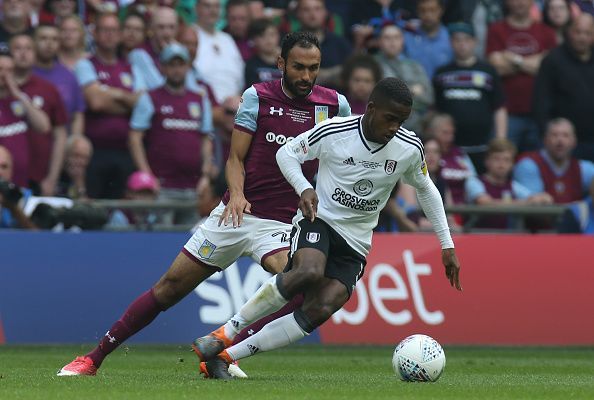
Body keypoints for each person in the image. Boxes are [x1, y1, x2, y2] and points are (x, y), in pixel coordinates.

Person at [57, 31, 350, 377]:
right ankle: (93, 358)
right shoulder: (258, 97)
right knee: (168, 290)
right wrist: (237, 194)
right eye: (298, 67)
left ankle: (223, 351)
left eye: (313, 68)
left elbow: (339, 162)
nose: (305, 76)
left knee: (303, 285)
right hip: (236, 214)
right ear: (281, 63)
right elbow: (235, 158)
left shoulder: (334, 106)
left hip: (282, 225)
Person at [192, 77, 461, 379]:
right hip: (320, 220)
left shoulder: (409, 147)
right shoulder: (336, 130)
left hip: (357, 242)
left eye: (400, 121)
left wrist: (446, 244)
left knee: (324, 306)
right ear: (371, 108)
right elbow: (287, 153)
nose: (393, 128)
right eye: (389, 118)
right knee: (308, 271)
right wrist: (304, 187)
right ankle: (225, 333)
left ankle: (226, 356)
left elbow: (426, 189)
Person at [128, 43, 215, 224]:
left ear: (188, 67)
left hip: (193, 187)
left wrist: (205, 176)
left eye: (180, 64)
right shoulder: (151, 97)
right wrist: (147, 175)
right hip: (162, 187)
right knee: (160, 239)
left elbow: (206, 138)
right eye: (171, 65)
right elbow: (135, 137)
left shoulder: (199, 98)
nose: (176, 70)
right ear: (163, 67)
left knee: (189, 245)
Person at [74, 13, 141, 199]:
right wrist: (123, 96)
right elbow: (95, 102)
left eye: (113, 30)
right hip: (95, 152)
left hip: (125, 151)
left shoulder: (130, 67)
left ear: (120, 35)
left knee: (123, 211)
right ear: (94, 34)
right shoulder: (85, 65)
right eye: (104, 30)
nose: (109, 35)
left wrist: (107, 94)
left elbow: (140, 104)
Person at [433, 22, 507, 173]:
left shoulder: (487, 71)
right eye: (457, 40)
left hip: (483, 146)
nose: (462, 45)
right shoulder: (441, 73)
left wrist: (500, 139)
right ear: (451, 43)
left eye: (466, 40)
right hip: (450, 148)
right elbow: (435, 110)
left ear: (474, 42)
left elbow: (499, 107)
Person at [486, 0, 557, 153]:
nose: (519, 3)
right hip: (506, 114)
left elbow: (549, 68)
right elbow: (496, 68)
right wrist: (535, 61)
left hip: (540, 115)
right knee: (502, 164)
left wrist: (514, 59)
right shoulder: (496, 30)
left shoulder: (546, 32)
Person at [10, 33, 69, 197]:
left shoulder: (48, 89)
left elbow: (60, 135)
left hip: (37, 176)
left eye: (28, 48)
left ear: (35, 54)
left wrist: (52, 178)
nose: (23, 53)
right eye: (18, 48)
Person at [532, 13, 594, 162]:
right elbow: (541, 102)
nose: (582, 37)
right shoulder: (553, 60)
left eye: (587, 33)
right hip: (564, 145)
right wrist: (548, 137)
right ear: (569, 32)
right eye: (578, 32)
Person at [465, 138, 552, 229]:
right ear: (487, 161)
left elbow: (533, 198)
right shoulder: (474, 182)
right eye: (497, 159)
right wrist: (526, 203)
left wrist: (543, 198)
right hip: (476, 237)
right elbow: (485, 203)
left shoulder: (513, 186)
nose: (501, 164)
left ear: (512, 164)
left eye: (506, 160)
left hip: (504, 238)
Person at [513, 118, 594, 203]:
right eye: (554, 135)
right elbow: (534, 208)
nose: (560, 140)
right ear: (545, 140)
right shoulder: (528, 164)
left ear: (574, 141)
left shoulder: (583, 168)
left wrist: (584, 205)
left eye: (565, 135)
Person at [0, 52, 50, 188]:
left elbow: (44, 127)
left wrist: (17, 93)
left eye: (9, 70)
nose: (4, 75)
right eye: (0, 69)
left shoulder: (20, 101)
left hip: (21, 182)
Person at [374, 23, 433, 133]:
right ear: (379, 41)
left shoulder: (415, 66)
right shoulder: (372, 65)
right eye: (387, 38)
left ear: (402, 40)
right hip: (383, 124)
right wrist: (412, 91)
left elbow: (428, 98)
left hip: (414, 125)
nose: (392, 42)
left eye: (396, 37)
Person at [33, 24, 86, 138]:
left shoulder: (68, 75)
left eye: (54, 39)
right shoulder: (25, 73)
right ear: (33, 42)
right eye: (43, 38)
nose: (49, 43)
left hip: (63, 142)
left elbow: (77, 114)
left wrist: (75, 141)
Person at [194, 0, 245, 103]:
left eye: (217, 6)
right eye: (207, 6)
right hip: (203, 104)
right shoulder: (190, 35)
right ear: (196, 9)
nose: (213, 11)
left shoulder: (227, 39)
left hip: (234, 106)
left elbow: (240, 79)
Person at [404, 0, 453, 79]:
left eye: (432, 10)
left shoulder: (450, 39)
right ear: (417, 11)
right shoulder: (407, 38)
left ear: (441, 10)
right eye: (423, 10)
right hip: (414, 88)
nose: (427, 15)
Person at [0, 145, 36, 230]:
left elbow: (39, 236)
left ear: (11, 171)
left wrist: (13, 207)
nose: (0, 172)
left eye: (4, 167)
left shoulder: (25, 197)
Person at [244, 18, 283, 89]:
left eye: (272, 34)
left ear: (278, 36)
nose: (268, 39)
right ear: (253, 40)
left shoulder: (287, 62)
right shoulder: (251, 65)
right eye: (262, 35)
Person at [56, 134, 93, 200]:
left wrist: (79, 183)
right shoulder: (54, 173)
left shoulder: (91, 176)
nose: (80, 162)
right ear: (66, 155)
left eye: (85, 157)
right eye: (76, 155)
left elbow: (85, 205)